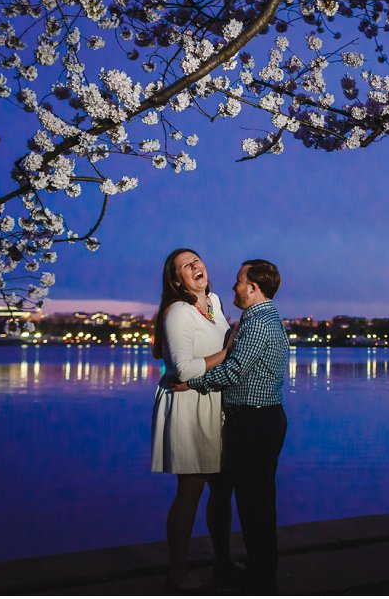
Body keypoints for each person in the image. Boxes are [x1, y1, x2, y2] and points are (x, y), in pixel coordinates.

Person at [172, 259, 288, 594]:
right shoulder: (264, 318)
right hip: (263, 418)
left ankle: (261, 579)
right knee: (259, 501)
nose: (234, 286)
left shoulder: (257, 323)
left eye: (239, 281)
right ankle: (259, 573)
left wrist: (193, 384)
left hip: (254, 421)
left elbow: (233, 371)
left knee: (255, 505)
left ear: (253, 287)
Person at [151, 248, 241, 592]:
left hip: (214, 400)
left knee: (222, 488)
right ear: (177, 279)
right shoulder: (177, 312)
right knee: (190, 489)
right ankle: (177, 573)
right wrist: (228, 351)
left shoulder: (215, 303)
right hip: (188, 403)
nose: (194, 266)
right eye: (185, 266)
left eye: (196, 260)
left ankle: (223, 563)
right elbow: (181, 369)